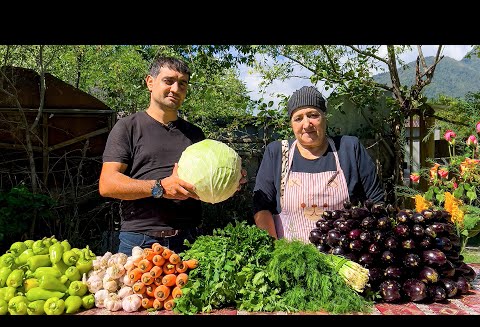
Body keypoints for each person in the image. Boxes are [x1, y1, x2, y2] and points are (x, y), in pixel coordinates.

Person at [99, 56, 246, 256]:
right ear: (150, 82)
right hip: (140, 240)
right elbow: (107, 184)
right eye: (168, 81)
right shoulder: (128, 127)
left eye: (182, 84)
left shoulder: (195, 135)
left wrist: (228, 181)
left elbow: (203, 190)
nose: (176, 89)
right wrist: (160, 188)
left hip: (189, 240)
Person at [253, 85, 384, 243]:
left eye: (313, 115)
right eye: (298, 118)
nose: (307, 124)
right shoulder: (277, 153)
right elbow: (261, 207)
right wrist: (274, 252)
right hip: (290, 257)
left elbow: (376, 203)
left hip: (344, 259)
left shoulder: (349, 148)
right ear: (291, 124)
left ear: (324, 117)